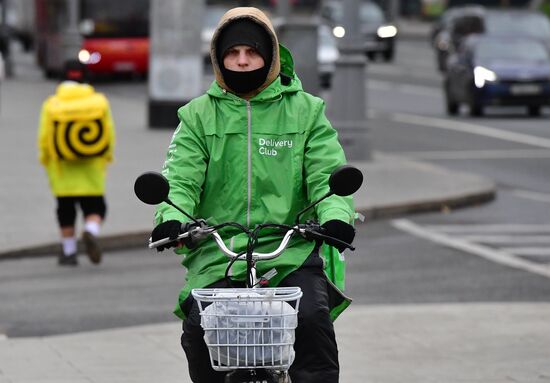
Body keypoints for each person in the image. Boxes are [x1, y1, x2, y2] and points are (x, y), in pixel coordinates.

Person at [151, 7, 356, 382]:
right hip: (218, 252)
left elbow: (327, 176)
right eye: (232, 52)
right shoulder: (197, 116)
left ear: (270, 55)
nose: (242, 61)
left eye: (252, 51)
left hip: (289, 251)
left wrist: (335, 216)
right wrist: (171, 218)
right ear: (218, 57)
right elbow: (179, 177)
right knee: (199, 331)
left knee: (311, 321)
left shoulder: (306, 112)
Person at [37, 60, 115, 266]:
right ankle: (90, 230)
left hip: (62, 169)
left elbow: (44, 138)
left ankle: (69, 252)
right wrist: (106, 158)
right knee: (96, 207)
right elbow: (109, 134)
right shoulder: (99, 102)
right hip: (91, 167)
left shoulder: (51, 104)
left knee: (65, 210)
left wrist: (46, 161)